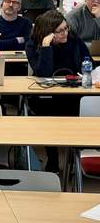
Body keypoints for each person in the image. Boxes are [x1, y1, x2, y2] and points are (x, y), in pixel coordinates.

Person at [25, 10, 90, 172]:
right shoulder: (33, 44)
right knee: (47, 115)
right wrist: (46, 47)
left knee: (79, 110)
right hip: (47, 96)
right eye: (60, 31)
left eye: (66, 28)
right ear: (48, 33)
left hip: (74, 91)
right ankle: (53, 158)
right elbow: (43, 73)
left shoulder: (74, 40)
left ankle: (73, 158)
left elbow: (88, 63)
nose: (65, 33)